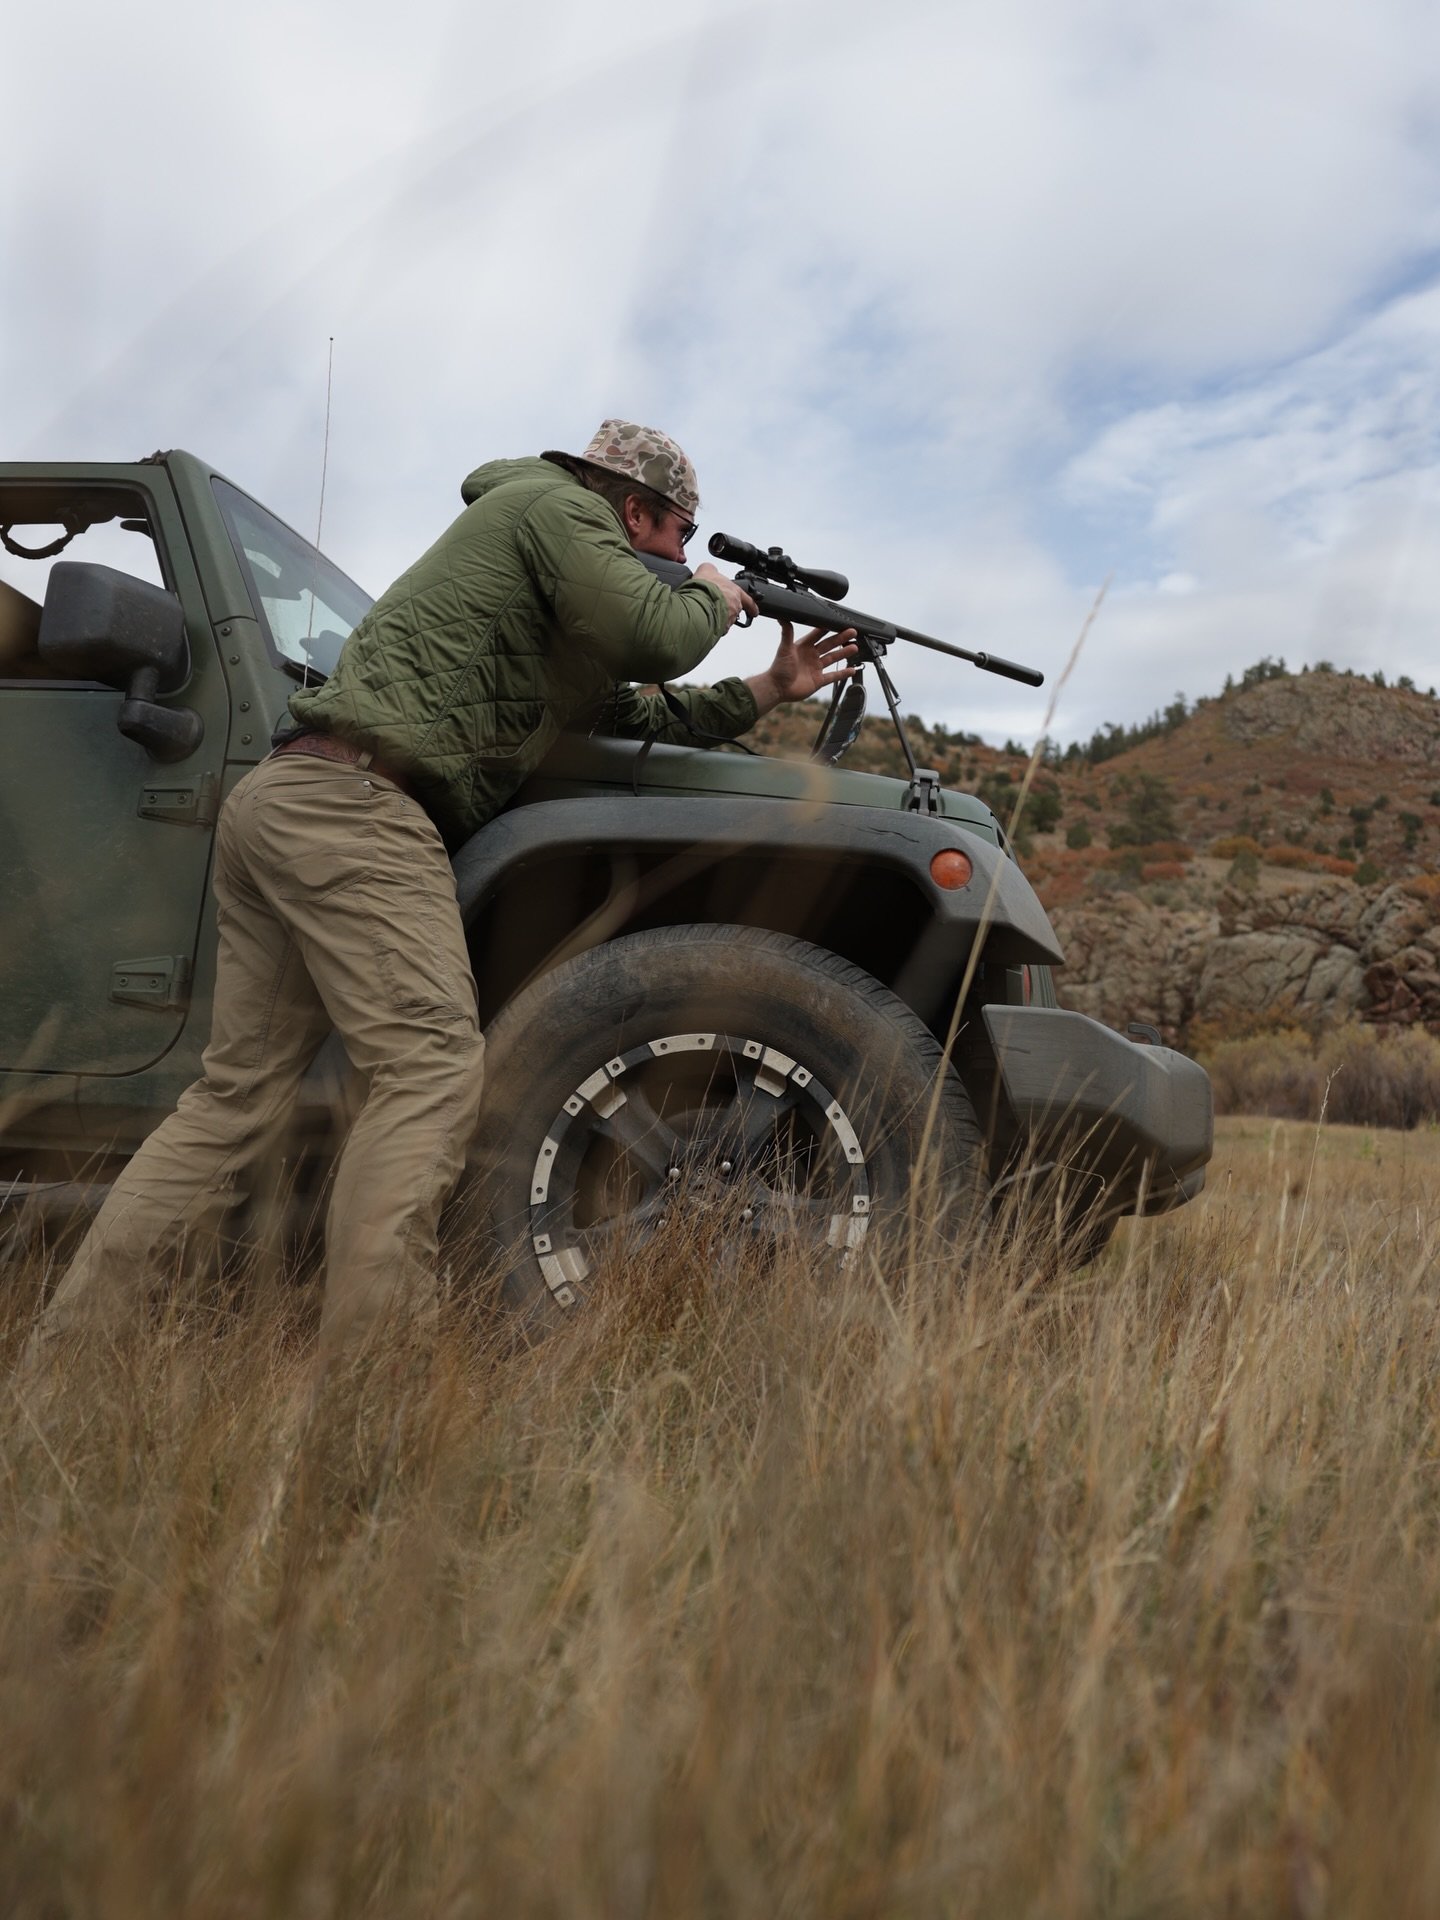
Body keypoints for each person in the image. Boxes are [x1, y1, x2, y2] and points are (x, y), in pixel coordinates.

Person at [22, 421, 856, 1369]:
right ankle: (376, 1379)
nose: (683, 559)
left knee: (232, 1101)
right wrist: (711, 598)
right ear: (634, 510)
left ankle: (65, 1358)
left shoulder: (545, 590)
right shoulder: (557, 507)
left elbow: (640, 709)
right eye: (679, 540)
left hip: (291, 801)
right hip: (361, 806)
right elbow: (656, 634)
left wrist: (770, 684)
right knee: (429, 1069)